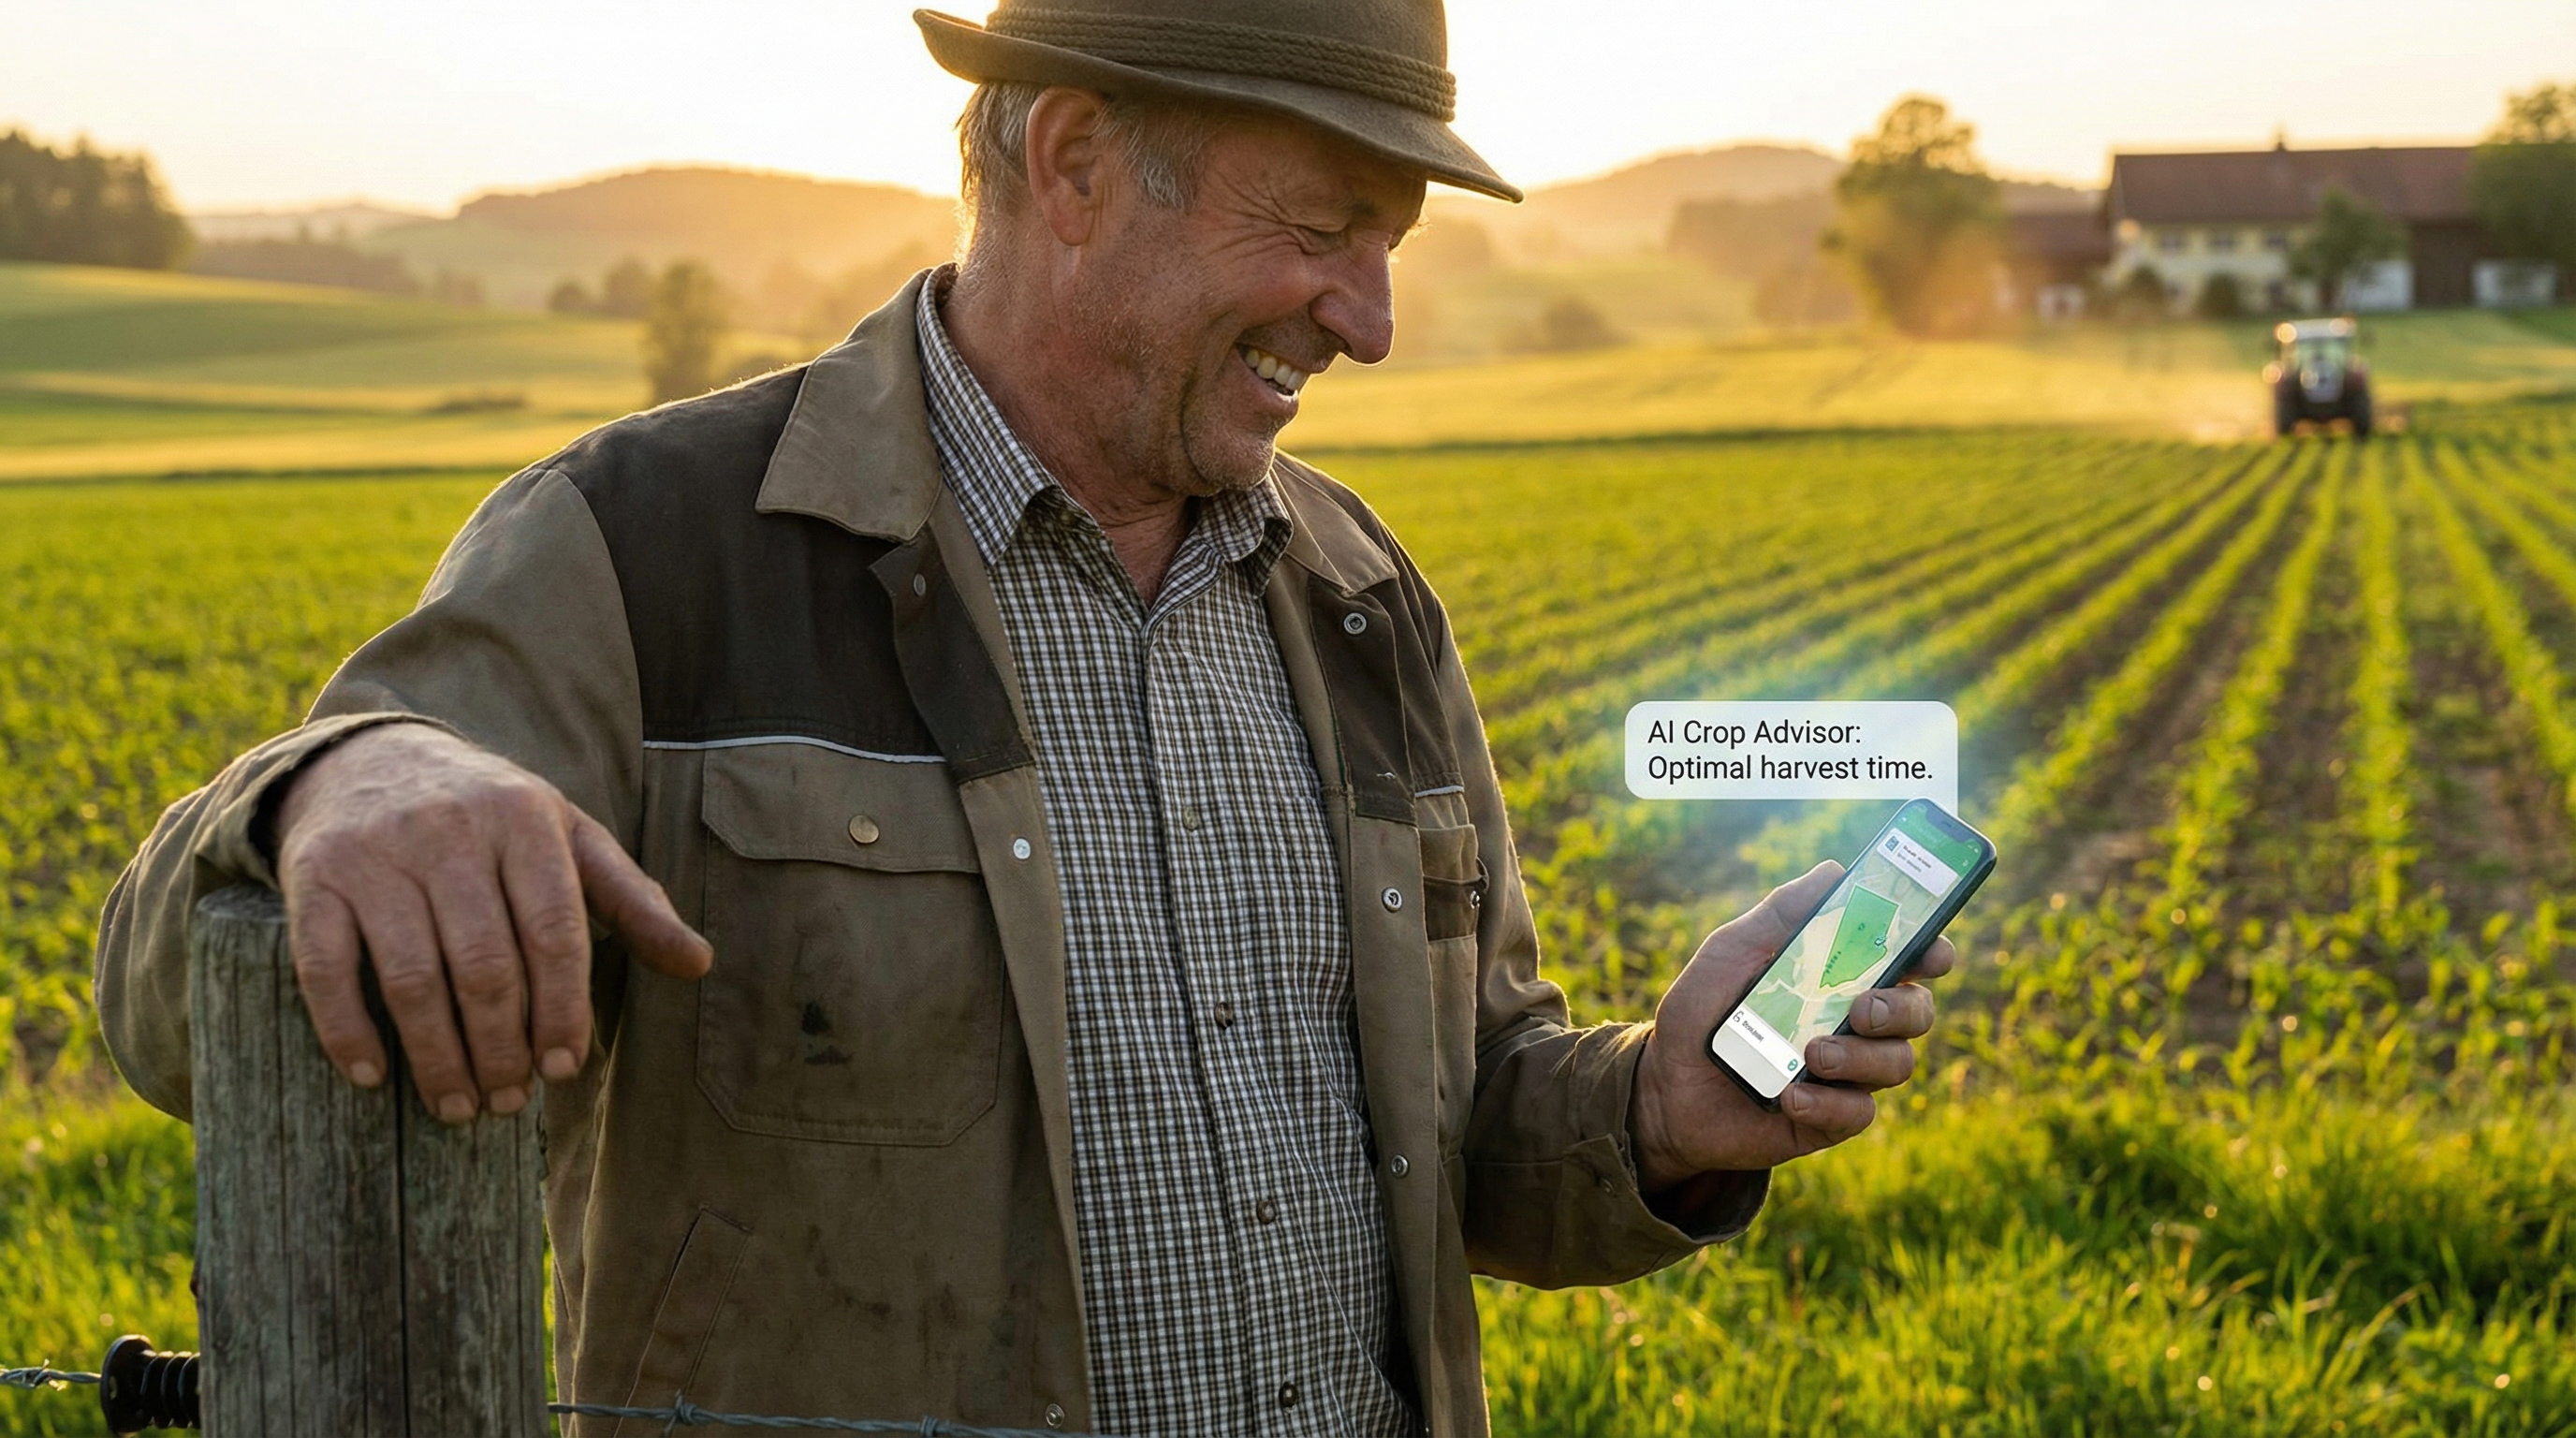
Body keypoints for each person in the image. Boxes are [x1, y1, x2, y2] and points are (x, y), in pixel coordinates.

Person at [93, 2, 1952, 1433]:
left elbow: (1457, 1135)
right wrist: (348, 780)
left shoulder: (1363, 601)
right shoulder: (645, 549)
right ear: (1069, 164)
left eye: (1387, 246)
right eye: (1321, 229)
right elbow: (180, 976)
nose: (1369, 320)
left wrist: (1658, 1112)